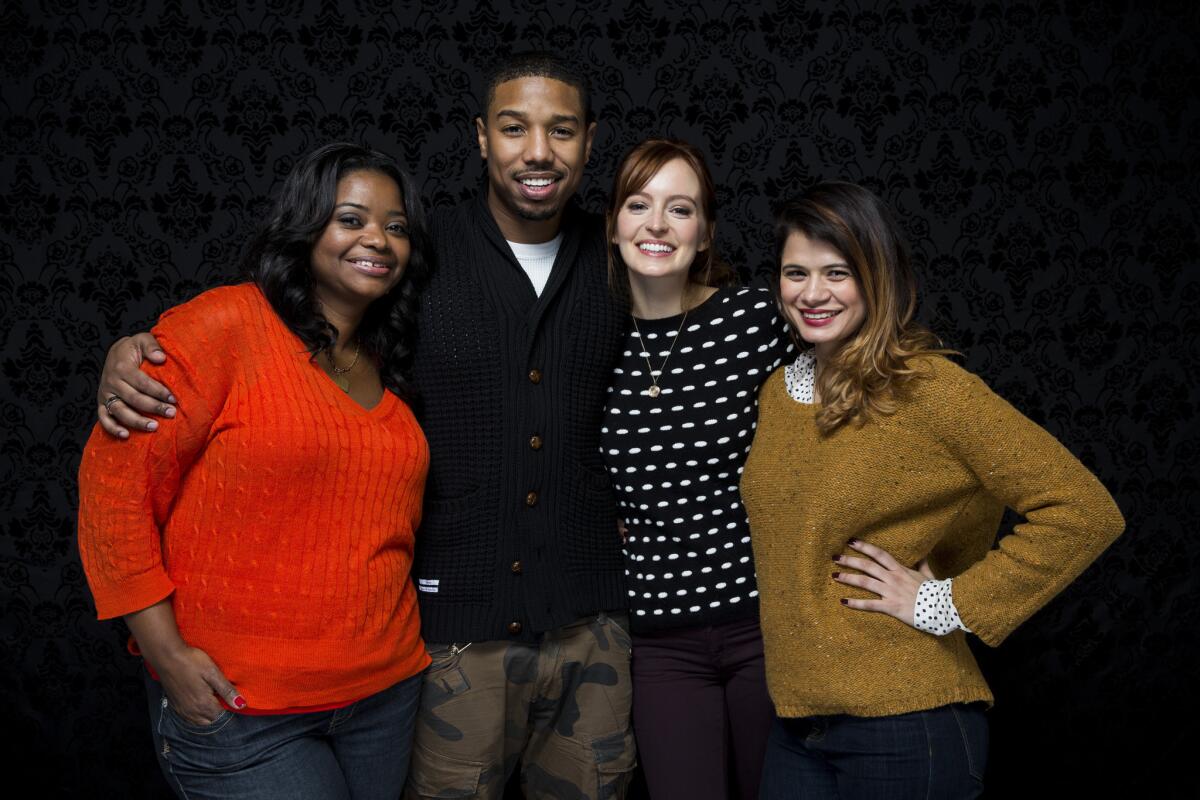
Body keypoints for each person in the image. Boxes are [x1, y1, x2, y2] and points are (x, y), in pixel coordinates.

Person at [92, 52, 636, 800]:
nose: (537, 150)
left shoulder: (624, 256)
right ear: (482, 137)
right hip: (405, 651)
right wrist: (132, 354)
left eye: (561, 130)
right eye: (514, 127)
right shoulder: (402, 262)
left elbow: (721, 342)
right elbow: (124, 482)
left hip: (472, 657)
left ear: (590, 140)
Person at [740, 181, 1126, 798]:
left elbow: (1082, 510)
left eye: (837, 272)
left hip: (907, 720)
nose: (812, 294)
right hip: (798, 723)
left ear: (878, 276)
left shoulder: (928, 389)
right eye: (795, 273)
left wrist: (943, 602)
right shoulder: (779, 393)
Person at [77, 142, 435, 799]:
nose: (377, 239)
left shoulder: (391, 359)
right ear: (305, 227)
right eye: (351, 219)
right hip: (245, 711)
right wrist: (166, 656)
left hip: (383, 699)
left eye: (396, 226)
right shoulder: (224, 327)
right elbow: (114, 489)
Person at [601, 138, 791, 799]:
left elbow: (844, 424)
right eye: (638, 204)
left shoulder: (755, 318)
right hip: (659, 642)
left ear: (705, 230)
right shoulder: (587, 338)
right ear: (613, 224)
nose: (656, 224)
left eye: (679, 208)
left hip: (765, 625)